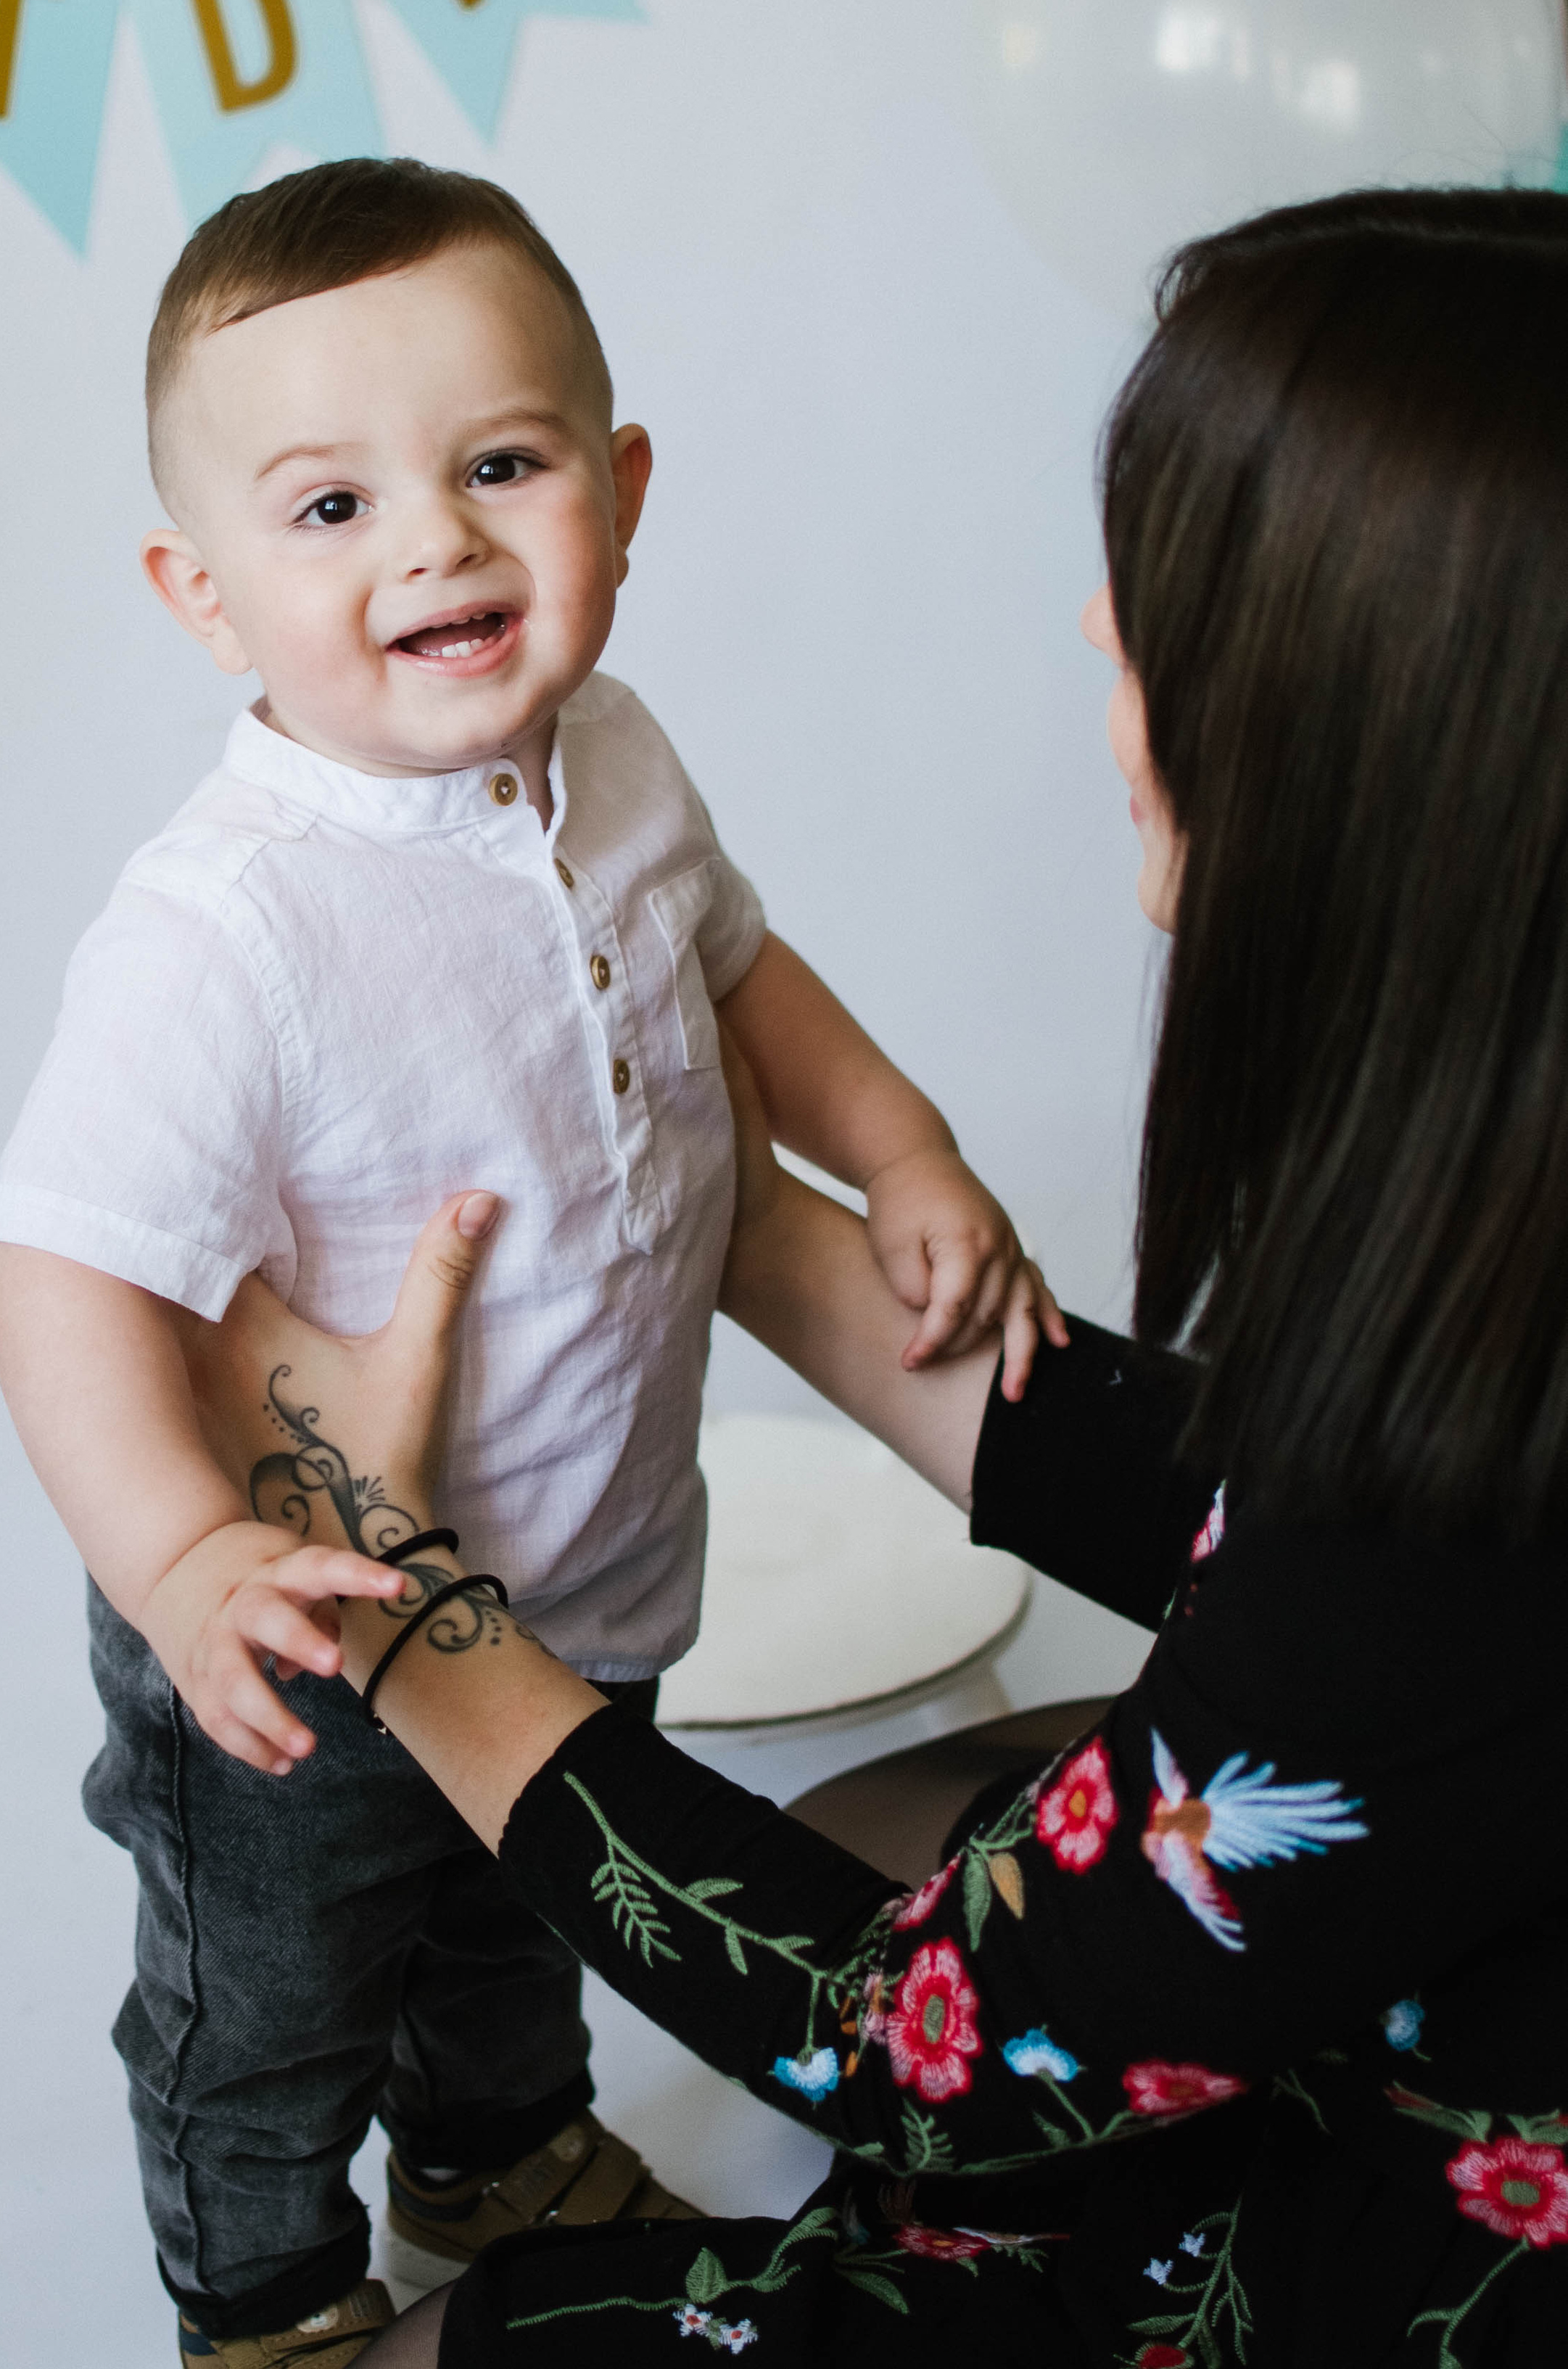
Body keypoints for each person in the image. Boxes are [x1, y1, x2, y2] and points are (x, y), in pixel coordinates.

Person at [177, 187, 1568, 2365]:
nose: (1102, 639)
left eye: (1165, 606)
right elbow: (1309, 1527)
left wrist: (393, 1589)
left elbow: (921, 2040)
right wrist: (723, 1210)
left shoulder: (1415, 1584)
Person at [0, 158, 1059, 2365]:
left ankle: (494, 2152)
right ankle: (263, 2290)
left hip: (587, 1552)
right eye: (330, 509)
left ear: (621, 490)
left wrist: (903, 1145)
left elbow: (747, 975)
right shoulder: (227, 930)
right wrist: (189, 1563)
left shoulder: (620, 759)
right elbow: (53, 1268)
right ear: (204, 597)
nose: (437, 546)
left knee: (517, 1914)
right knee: (274, 1995)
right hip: (306, 1623)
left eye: (496, 467)